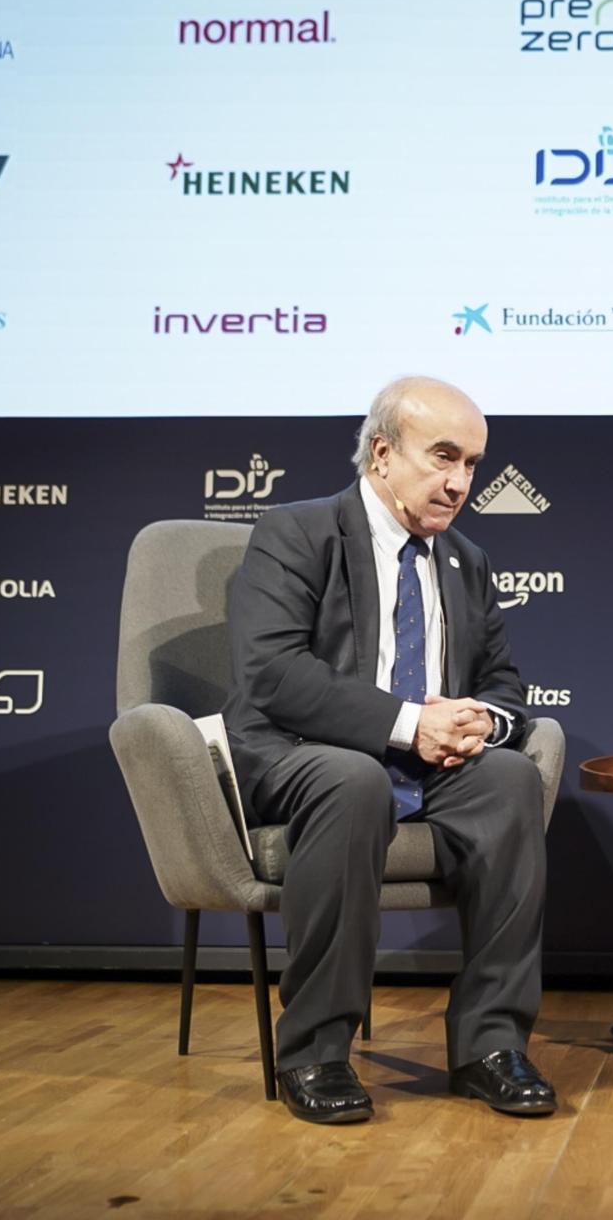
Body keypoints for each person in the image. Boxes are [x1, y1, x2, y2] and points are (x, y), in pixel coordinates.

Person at [222, 377, 555, 1124]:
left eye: (472, 464)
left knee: (507, 782)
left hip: (428, 763)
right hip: (301, 754)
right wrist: (408, 724)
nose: (460, 481)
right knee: (352, 781)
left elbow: (504, 684)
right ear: (381, 454)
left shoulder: (465, 560)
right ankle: (315, 1050)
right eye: (443, 457)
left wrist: (482, 725)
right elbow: (271, 674)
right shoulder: (297, 533)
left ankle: (489, 1046)